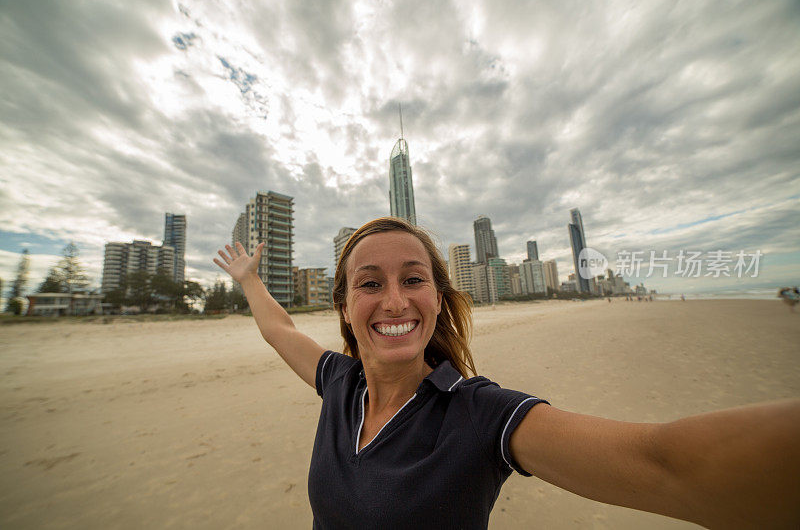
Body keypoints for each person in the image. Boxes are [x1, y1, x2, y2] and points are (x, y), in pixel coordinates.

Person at [214, 217, 800, 529]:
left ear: (439, 298)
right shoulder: (338, 385)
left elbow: (664, 462)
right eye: (370, 284)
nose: (394, 301)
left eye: (414, 279)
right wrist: (248, 280)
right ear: (344, 304)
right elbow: (280, 331)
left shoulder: (481, 416)